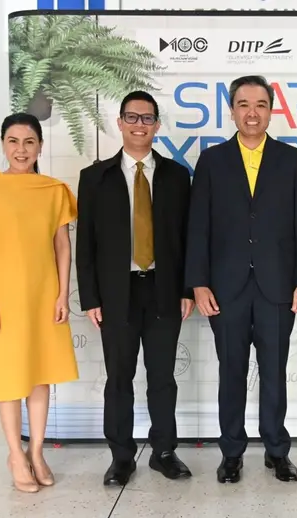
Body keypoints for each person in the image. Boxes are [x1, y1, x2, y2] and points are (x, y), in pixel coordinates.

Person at [185, 75, 297, 484]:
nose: (252, 113)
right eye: (243, 104)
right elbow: (198, 227)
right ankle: (231, 453)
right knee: (232, 373)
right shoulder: (212, 160)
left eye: (260, 104)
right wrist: (199, 283)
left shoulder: (291, 159)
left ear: (271, 110)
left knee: (274, 372)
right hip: (226, 289)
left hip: (278, 287)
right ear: (232, 111)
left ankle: (277, 451)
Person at [75, 90, 194, 486]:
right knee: (119, 379)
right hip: (116, 294)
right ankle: (121, 457)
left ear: (157, 125)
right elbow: (85, 245)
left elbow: (187, 239)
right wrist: (91, 298)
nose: (139, 125)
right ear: (120, 123)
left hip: (163, 289)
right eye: (132, 117)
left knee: (162, 377)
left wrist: (187, 289)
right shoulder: (95, 178)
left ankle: (164, 452)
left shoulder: (176, 176)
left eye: (147, 118)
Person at [0, 113, 79, 493]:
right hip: (3, 301)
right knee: (9, 379)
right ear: (3, 144)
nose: (21, 150)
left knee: (40, 376)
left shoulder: (53, 190)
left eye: (29, 142)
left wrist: (62, 294)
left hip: (44, 297)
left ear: (40, 146)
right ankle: (15, 454)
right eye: (13, 141)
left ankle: (36, 451)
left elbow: (62, 246)